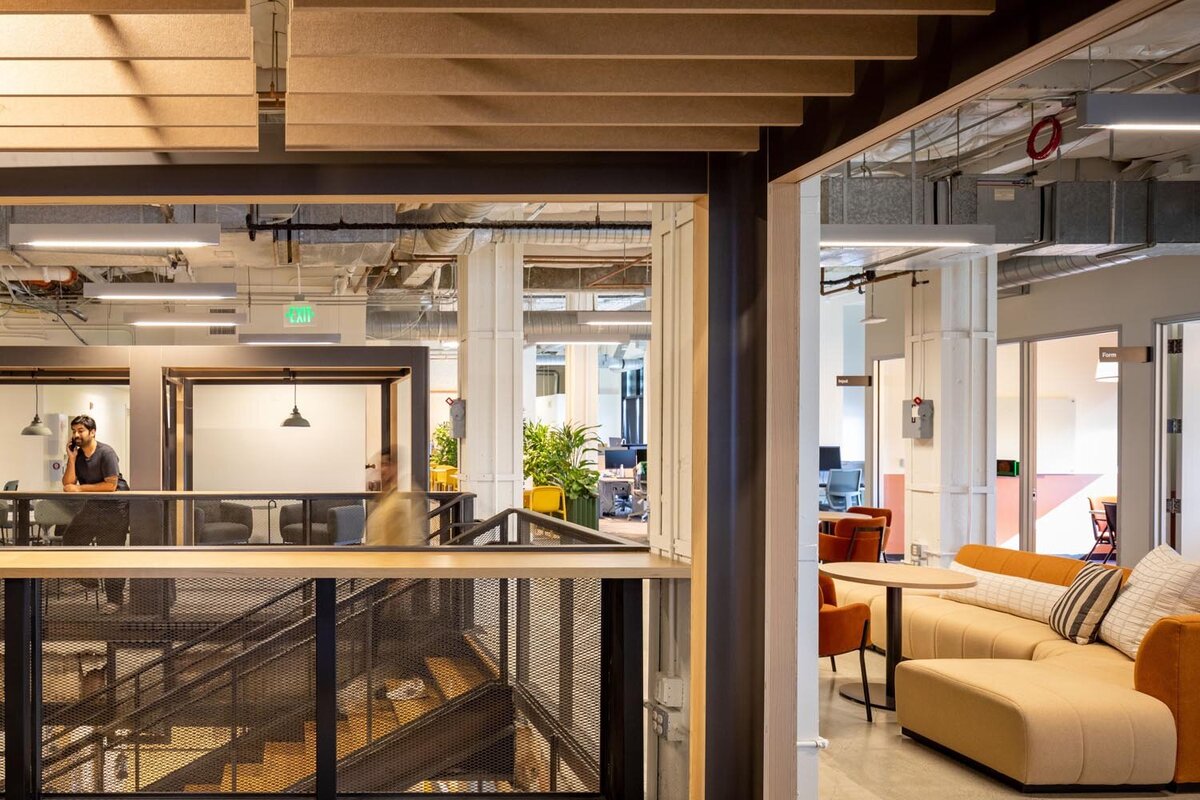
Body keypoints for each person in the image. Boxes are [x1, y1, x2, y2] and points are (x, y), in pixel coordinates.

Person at [62, 414, 129, 613]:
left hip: (115, 507)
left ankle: (115, 600)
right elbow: (68, 483)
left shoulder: (106, 452)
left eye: (80, 431)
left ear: (92, 432)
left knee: (111, 552)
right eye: (74, 431)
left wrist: (80, 489)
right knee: (71, 538)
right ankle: (89, 578)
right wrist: (72, 459)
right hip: (94, 505)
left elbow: (111, 485)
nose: (76, 435)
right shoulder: (78, 455)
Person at [365, 448, 424, 547]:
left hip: (390, 559)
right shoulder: (386, 497)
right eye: (380, 465)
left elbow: (409, 541)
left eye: (385, 464)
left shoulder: (400, 502)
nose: (380, 470)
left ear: (395, 467)